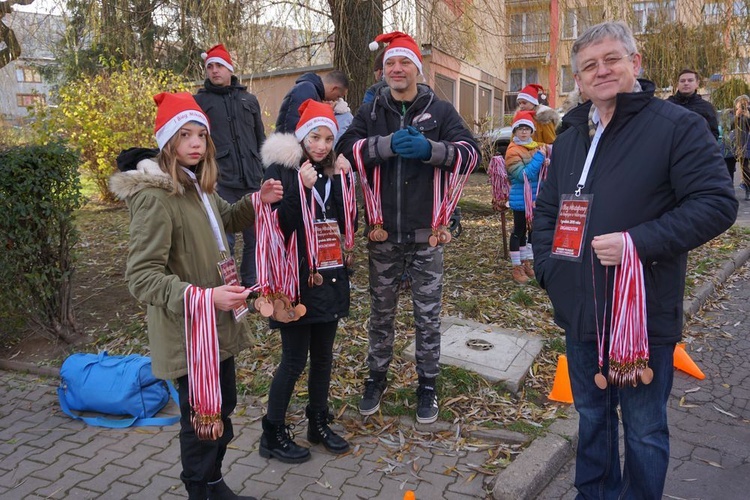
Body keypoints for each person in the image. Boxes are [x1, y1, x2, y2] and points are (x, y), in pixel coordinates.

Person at [533, 21, 737, 499]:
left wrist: (636, 243)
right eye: (589, 66)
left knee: (644, 428)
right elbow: (547, 211)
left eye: (611, 60)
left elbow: (716, 203)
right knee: (591, 417)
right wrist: (549, 269)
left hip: (639, 312)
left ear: (635, 64)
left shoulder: (676, 126)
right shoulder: (569, 137)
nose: (601, 72)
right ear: (578, 80)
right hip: (580, 308)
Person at [109, 92, 283, 500]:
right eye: (185, 135)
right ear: (167, 140)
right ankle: (200, 489)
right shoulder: (156, 197)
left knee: (222, 409)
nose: (195, 144)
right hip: (189, 333)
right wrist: (203, 298)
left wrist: (259, 201)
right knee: (203, 418)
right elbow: (141, 276)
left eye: (201, 135)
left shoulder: (197, 187)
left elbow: (225, 219)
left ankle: (214, 481)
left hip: (217, 325)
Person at [336, 31, 480, 425]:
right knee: (381, 313)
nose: (396, 69)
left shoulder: (441, 110)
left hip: (425, 236)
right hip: (382, 235)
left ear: (418, 68)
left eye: (404, 63)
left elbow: (471, 153)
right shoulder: (372, 110)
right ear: (383, 71)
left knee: (427, 316)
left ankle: (427, 385)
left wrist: (433, 151)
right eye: (389, 64)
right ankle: (376, 378)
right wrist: (383, 145)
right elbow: (344, 149)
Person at [258, 98, 356, 463]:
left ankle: (317, 422)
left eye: (328, 139)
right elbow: (278, 226)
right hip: (295, 282)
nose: (321, 146)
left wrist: (346, 182)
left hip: (329, 277)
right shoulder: (281, 169)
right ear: (301, 137)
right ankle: (272, 431)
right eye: (315, 137)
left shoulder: (333, 171)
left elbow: (348, 228)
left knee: (324, 358)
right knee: (294, 359)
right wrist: (300, 188)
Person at [194, 44, 266, 289]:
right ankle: (228, 286)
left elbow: (260, 139)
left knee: (255, 237)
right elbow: (196, 142)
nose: (214, 71)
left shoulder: (249, 99)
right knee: (224, 240)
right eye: (210, 66)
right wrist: (203, 175)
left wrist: (264, 172)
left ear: (230, 69)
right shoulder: (200, 102)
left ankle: (251, 284)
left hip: (252, 180)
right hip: (220, 182)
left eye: (220, 66)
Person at [504, 110, 546, 284]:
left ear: (531, 131)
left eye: (527, 128)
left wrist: (545, 162)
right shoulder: (513, 151)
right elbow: (524, 175)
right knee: (519, 232)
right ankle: (516, 268)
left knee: (531, 232)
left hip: (535, 199)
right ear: (515, 131)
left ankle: (526, 262)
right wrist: (539, 159)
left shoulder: (535, 146)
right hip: (521, 200)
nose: (523, 132)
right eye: (520, 129)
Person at [275, 70, 349, 134]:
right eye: (338, 96)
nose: (335, 100)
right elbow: (294, 123)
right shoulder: (307, 89)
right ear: (334, 89)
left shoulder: (311, 91)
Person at [666, 69, 719, 141]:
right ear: (677, 84)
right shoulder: (667, 105)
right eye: (682, 81)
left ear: (697, 83)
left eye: (690, 80)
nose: (686, 83)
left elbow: (713, 134)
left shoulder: (706, 107)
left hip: (697, 150)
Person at [732, 95, 750, 200]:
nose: (742, 105)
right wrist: (736, 117)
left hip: (746, 143)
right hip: (736, 145)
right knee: (738, 168)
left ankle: (748, 189)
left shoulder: (748, 113)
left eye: (745, 103)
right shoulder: (731, 113)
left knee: (746, 168)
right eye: (740, 103)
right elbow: (728, 126)